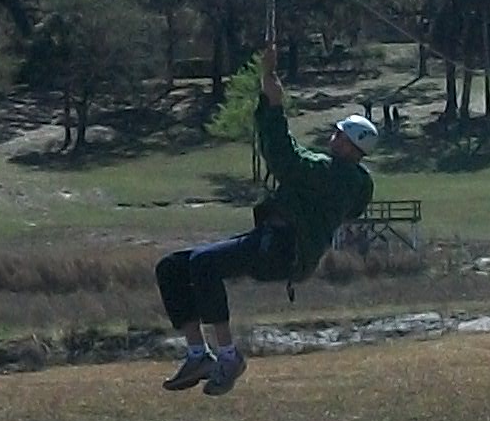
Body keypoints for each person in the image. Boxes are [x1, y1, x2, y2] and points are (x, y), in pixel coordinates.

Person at [156, 54, 377, 395]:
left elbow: (285, 158)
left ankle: (228, 356)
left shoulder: (337, 175)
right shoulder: (339, 177)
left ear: (352, 146)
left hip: (282, 250)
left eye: (340, 133)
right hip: (272, 243)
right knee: (171, 267)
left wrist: (273, 106)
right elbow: (299, 164)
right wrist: (270, 93)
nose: (333, 135)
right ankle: (198, 354)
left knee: (203, 264)